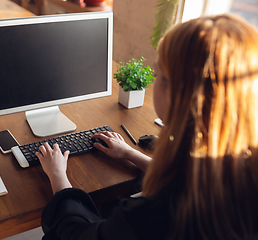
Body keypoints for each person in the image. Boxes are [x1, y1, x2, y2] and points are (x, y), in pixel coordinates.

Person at [35, 14, 258, 240]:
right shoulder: (241, 165)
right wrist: (131, 153)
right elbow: (187, 178)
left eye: (157, 73)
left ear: (176, 94)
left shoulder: (156, 214)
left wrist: (57, 176)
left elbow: (76, 235)